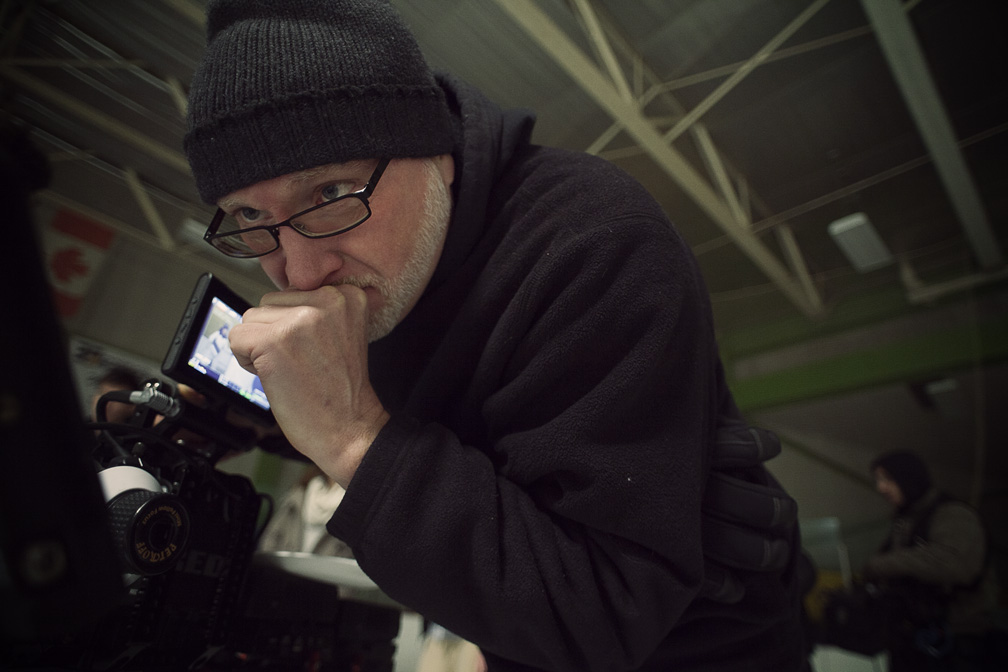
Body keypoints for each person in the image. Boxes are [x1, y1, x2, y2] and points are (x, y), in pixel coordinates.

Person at [182, 1, 805, 669]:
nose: (302, 272)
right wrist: (254, 421)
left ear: (438, 153)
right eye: (250, 217)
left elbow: (601, 614)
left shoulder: (594, 243)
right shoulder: (379, 274)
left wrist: (355, 439)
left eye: (331, 193)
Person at [865, 450, 1001, 671]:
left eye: (887, 479)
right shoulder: (905, 521)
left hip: (957, 639)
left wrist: (883, 565)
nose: (881, 487)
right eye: (877, 480)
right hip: (914, 637)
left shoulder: (952, 514)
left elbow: (955, 563)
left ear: (908, 478)